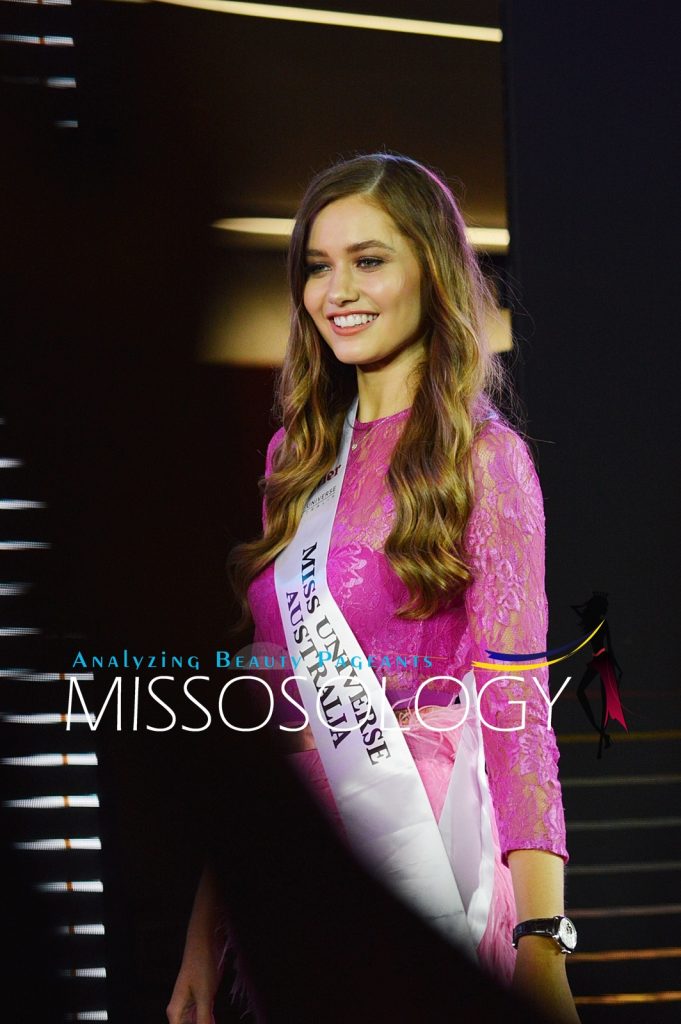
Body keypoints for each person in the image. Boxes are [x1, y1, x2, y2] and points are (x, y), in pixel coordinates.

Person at [167, 153, 580, 1023]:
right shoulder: (295, 458)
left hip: (422, 849)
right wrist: (203, 934)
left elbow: (517, 707)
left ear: (429, 269)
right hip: (292, 874)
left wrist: (543, 940)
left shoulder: (483, 460)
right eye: (317, 265)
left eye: (368, 259)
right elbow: (265, 707)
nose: (335, 290)